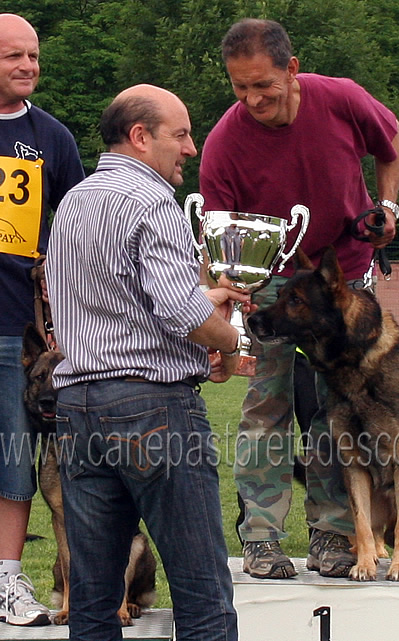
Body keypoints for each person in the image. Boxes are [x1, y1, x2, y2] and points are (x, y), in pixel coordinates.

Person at [199, 18, 399, 579]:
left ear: (292, 69)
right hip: (267, 285)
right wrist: (228, 308)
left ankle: (333, 535)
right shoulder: (224, 143)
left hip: (343, 281)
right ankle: (262, 537)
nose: (252, 99)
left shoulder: (341, 99)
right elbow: (219, 245)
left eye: (263, 84)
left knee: (336, 411)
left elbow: (390, 146)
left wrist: (386, 211)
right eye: (239, 87)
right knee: (266, 410)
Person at [45, 84, 251, 641]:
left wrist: (199, 306)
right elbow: (181, 314)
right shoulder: (154, 200)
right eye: (181, 134)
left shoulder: (72, 202)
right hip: (153, 408)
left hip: (77, 410)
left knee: (91, 599)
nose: (191, 148)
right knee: (202, 592)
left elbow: (116, 298)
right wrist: (232, 340)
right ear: (141, 137)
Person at [0, 13, 84, 626]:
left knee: (13, 458)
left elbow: (78, 223)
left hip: (15, 330)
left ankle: (7, 583)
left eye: (33, 56)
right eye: (13, 57)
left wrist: (56, 260)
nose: (28, 67)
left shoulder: (51, 137)